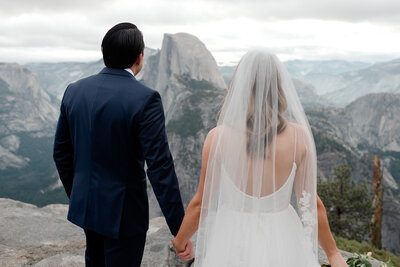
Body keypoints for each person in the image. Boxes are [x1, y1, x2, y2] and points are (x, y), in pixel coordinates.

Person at [172, 51, 348, 266]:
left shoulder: (216, 138)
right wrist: (333, 253)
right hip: (283, 239)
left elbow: (201, 204)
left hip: (230, 238)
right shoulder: (299, 138)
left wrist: (180, 242)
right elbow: (311, 205)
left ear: (238, 87)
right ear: (279, 87)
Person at [53, 22, 191, 267]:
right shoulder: (145, 99)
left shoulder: (74, 91)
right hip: (124, 216)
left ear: (105, 54)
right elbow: (160, 168)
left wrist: (78, 194)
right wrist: (180, 231)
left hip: (86, 208)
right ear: (139, 58)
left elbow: (61, 153)